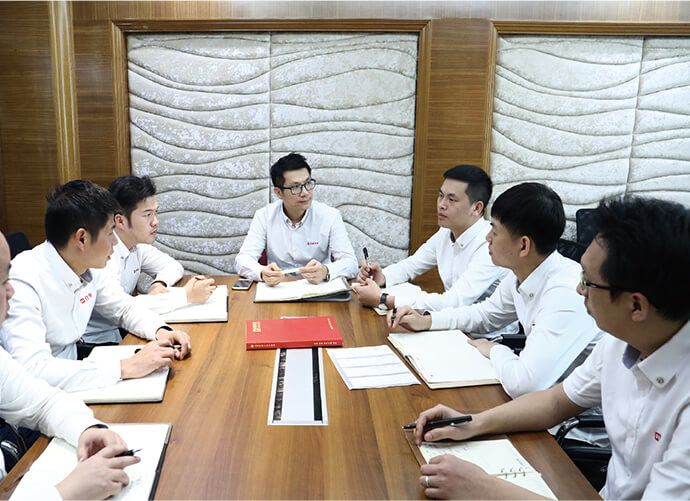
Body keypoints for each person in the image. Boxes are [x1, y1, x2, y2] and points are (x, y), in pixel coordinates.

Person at [410, 195, 690, 500]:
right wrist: (470, 423)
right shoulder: (620, 343)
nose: (579, 289)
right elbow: (556, 402)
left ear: (636, 306)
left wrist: (484, 489)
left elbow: (530, 385)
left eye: (589, 281)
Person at [389, 183, 601, 398]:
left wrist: (494, 349)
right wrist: (427, 321)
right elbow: (486, 314)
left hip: (577, 415)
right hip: (544, 398)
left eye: (495, 231)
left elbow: (525, 385)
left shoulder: (566, 292)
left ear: (523, 246)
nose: (487, 238)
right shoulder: (522, 272)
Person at [0, 180, 191, 392]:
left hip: (77, 371)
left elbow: (124, 308)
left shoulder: (86, 265)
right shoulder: (22, 282)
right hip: (42, 393)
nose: (115, 242)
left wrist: (161, 330)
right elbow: (32, 369)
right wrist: (125, 367)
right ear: (82, 238)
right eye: (110, 233)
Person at [0, 230, 138, 499]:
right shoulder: (31, 274)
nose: (11, 290)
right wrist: (66, 493)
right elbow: (37, 369)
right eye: (4, 281)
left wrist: (87, 429)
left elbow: (43, 402)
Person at [353, 164, 508, 312]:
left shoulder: (489, 244)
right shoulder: (446, 232)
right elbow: (412, 265)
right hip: (452, 322)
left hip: (482, 330)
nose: (441, 205)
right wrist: (383, 277)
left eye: (452, 200)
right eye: (441, 196)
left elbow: (455, 302)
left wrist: (384, 299)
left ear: (477, 208)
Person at [83, 175, 216, 344]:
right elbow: (123, 307)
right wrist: (186, 295)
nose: (155, 221)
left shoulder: (137, 246)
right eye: (147, 215)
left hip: (124, 332)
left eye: (155, 212)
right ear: (120, 220)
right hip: (96, 344)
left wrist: (159, 283)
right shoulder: (103, 256)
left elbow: (173, 266)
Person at [235, 153, 358, 286]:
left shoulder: (330, 216)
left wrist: (325, 271)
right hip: (279, 287)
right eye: (295, 187)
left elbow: (350, 263)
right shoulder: (264, 216)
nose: (305, 192)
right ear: (279, 193)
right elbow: (243, 259)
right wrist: (262, 272)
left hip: (318, 287)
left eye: (308, 183)